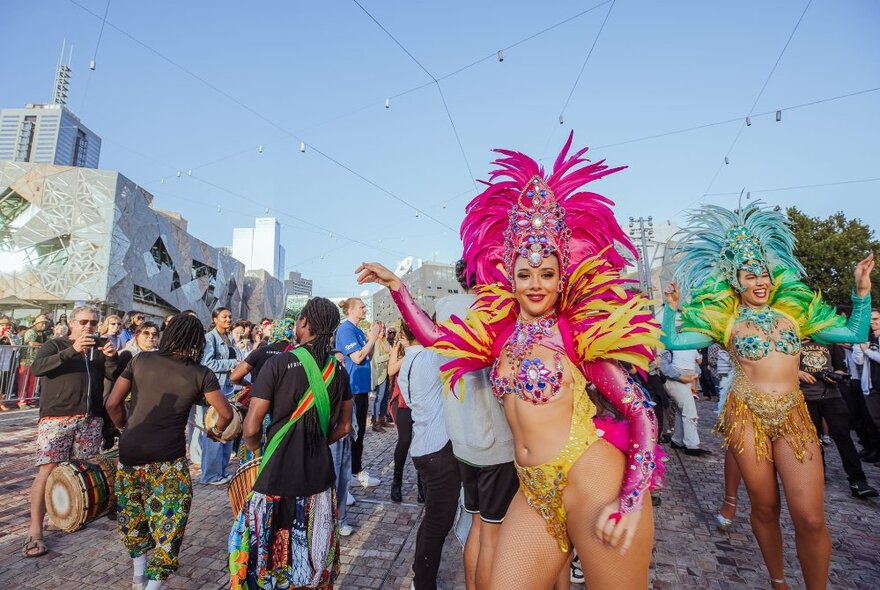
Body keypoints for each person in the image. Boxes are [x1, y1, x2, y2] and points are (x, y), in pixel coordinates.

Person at [357, 133, 663, 589]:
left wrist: (632, 499)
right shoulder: (497, 337)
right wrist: (398, 288)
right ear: (510, 276)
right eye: (525, 274)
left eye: (547, 274)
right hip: (533, 488)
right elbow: (435, 337)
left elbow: (641, 411)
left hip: (590, 477)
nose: (536, 284)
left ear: (562, 278)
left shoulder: (574, 334)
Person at [661, 201, 873, 590]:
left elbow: (856, 334)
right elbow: (673, 339)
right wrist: (671, 309)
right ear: (735, 280)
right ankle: (778, 583)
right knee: (765, 507)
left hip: (793, 414)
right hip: (747, 416)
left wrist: (861, 293)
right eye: (749, 274)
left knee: (809, 517)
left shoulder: (795, 314)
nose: (759, 281)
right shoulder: (725, 321)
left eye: (763, 274)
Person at [228, 297, 352, 589]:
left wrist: (261, 448)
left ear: (304, 324)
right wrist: (320, 440)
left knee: (267, 560)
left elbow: (251, 427)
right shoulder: (339, 371)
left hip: (276, 476)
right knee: (311, 556)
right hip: (319, 478)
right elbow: (344, 426)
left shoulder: (277, 363)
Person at [106, 314, 233, 590]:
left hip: (130, 454)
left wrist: (123, 428)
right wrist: (214, 432)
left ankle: (138, 577)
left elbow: (113, 403)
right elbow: (224, 412)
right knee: (169, 524)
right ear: (197, 342)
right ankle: (153, 586)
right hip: (168, 461)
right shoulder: (201, 373)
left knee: (133, 516)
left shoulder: (140, 360)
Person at [22, 305, 118, 558]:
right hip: (57, 418)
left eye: (94, 323)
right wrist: (72, 351)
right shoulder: (55, 345)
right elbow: (38, 368)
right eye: (84, 322)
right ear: (73, 323)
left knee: (81, 470)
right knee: (48, 470)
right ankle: (35, 531)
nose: (89, 327)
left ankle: (67, 515)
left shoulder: (97, 351)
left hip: (89, 419)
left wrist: (110, 358)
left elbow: (110, 378)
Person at [397, 317, 461, 590]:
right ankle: (423, 583)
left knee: (432, 517)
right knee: (438, 523)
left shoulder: (407, 364)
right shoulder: (432, 357)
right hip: (439, 451)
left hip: (422, 446)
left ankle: (419, 572)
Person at [799, 339, 878, 498]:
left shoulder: (828, 340)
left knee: (843, 438)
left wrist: (836, 376)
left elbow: (841, 368)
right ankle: (818, 474)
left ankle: (857, 481)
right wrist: (797, 372)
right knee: (813, 440)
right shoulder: (793, 340)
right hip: (805, 398)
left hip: (832, 396)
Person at [335, 297, 382, 489]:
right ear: (351, 310)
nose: (364, 310)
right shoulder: (346, 329)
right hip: (352, 388)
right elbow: (357, 357)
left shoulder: (358, 330)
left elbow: (368, 356)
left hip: (361, 388)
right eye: (361, 307)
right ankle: (347, 475)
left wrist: (373, 338)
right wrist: (371, 339)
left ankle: (355, 470)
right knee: (351, 433)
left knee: (360, 433)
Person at [197, 307, 239, 484]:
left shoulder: (230, 338)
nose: (228, 319)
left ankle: (221, 470)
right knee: (214, 430)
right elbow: (207, 363)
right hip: (215, 389)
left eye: (230, 316)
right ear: (215, 319)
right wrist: (233, 363)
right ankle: (210, 474)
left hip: (229, 388)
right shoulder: (210, 338)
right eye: (224, 317)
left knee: (228, 431)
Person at [660, 349, 711, 456]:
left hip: (687, 380)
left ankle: (677, 440)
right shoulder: (669, 346)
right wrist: (681, 377)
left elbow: (696, 364)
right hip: (675, 381)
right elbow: (664, 367)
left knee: (681, 410)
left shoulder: (690, 346)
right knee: (690, 412)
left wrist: (695, 374)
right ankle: (692, 445)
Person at [370, 321, 392, 432]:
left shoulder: (384, 341)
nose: (383, 330)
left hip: (386, 373)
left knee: (385, 397)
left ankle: (382, 419)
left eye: (384, 328)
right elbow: (376, 359)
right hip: (379, 374)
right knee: (379, 397)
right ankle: (376, 421)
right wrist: (389, 355)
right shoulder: (375, 342)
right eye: (381, 328)